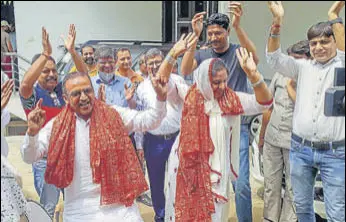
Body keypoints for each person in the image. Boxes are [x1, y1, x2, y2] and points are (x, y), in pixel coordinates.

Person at [20, 51, 177, 221]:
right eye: (76, 93)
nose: (83, 97)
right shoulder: (57, 126)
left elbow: (150, 121)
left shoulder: (112, 115)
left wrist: (161, 99)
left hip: (120, 208)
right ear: (65, 98)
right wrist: (32, 133)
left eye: (87, 91)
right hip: (80, 210)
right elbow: (29, 156)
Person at [165, 47, 273, 222]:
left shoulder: (232, 100)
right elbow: (164, 81)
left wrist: (254, 75)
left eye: (224, 81)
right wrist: (173, 55)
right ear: (204, 80)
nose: (222, 86)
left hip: (216, 173)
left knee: (214, 214)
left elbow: (265, 103)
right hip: (187, 168)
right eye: (216, 82)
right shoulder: (188, 95)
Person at [179, 2, 259, 221]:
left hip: (237, 127)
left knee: (240, 183)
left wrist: (239, 26)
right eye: (210, 32)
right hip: (208, 129)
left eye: (218, 33)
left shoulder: (237, 52)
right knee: (208, 180)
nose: (214, 37)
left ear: (228, 32)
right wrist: (195, 37)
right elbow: (185, 70)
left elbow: (255, 59)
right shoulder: (204, 54)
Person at [266, 1, 345, 221]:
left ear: (334, 42)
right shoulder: (302, 67)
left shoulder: (341, 66)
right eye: (314, 43)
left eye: (324, 42)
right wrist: (277, 23)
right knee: (301, 207)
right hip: (301, 150)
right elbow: (273, 58)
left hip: (335, 153)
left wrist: (333, 14)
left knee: (337, 212)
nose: (318, 47)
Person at [19, 24, 87, 217]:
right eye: (45, 71)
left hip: (69, 158)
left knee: (75, 205)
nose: (51, 74)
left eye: (54, 70)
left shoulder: (60, 90)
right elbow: (24, 83)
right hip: (45, 161)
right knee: (47, 209)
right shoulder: (33, 95)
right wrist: (45, 53)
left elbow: (83, 77)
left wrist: (73, 51)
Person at [133, 33, 196, 222]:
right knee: (156, 181)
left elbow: (189, 106)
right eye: (150, 63)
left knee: (180, 179)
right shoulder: (141, 88)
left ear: (165, 62)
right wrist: (139, 145)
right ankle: (160, 216)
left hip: (177, 138)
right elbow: (140, 118)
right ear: (144, 66)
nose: (154, 66)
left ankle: (178, 215)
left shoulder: (177, 81)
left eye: (158, 62)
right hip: (154, 141)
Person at [258, 40, 311, 222]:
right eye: (290, 58)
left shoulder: (312, 79)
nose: (292, 63)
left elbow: (309, 109)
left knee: (292, 187)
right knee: (271, 184)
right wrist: (262, 136)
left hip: (295, 143)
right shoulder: (280, 74)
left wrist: (291, 88)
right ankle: (269, 219)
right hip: (273, 138)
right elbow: (268, 106)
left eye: (297, 59)